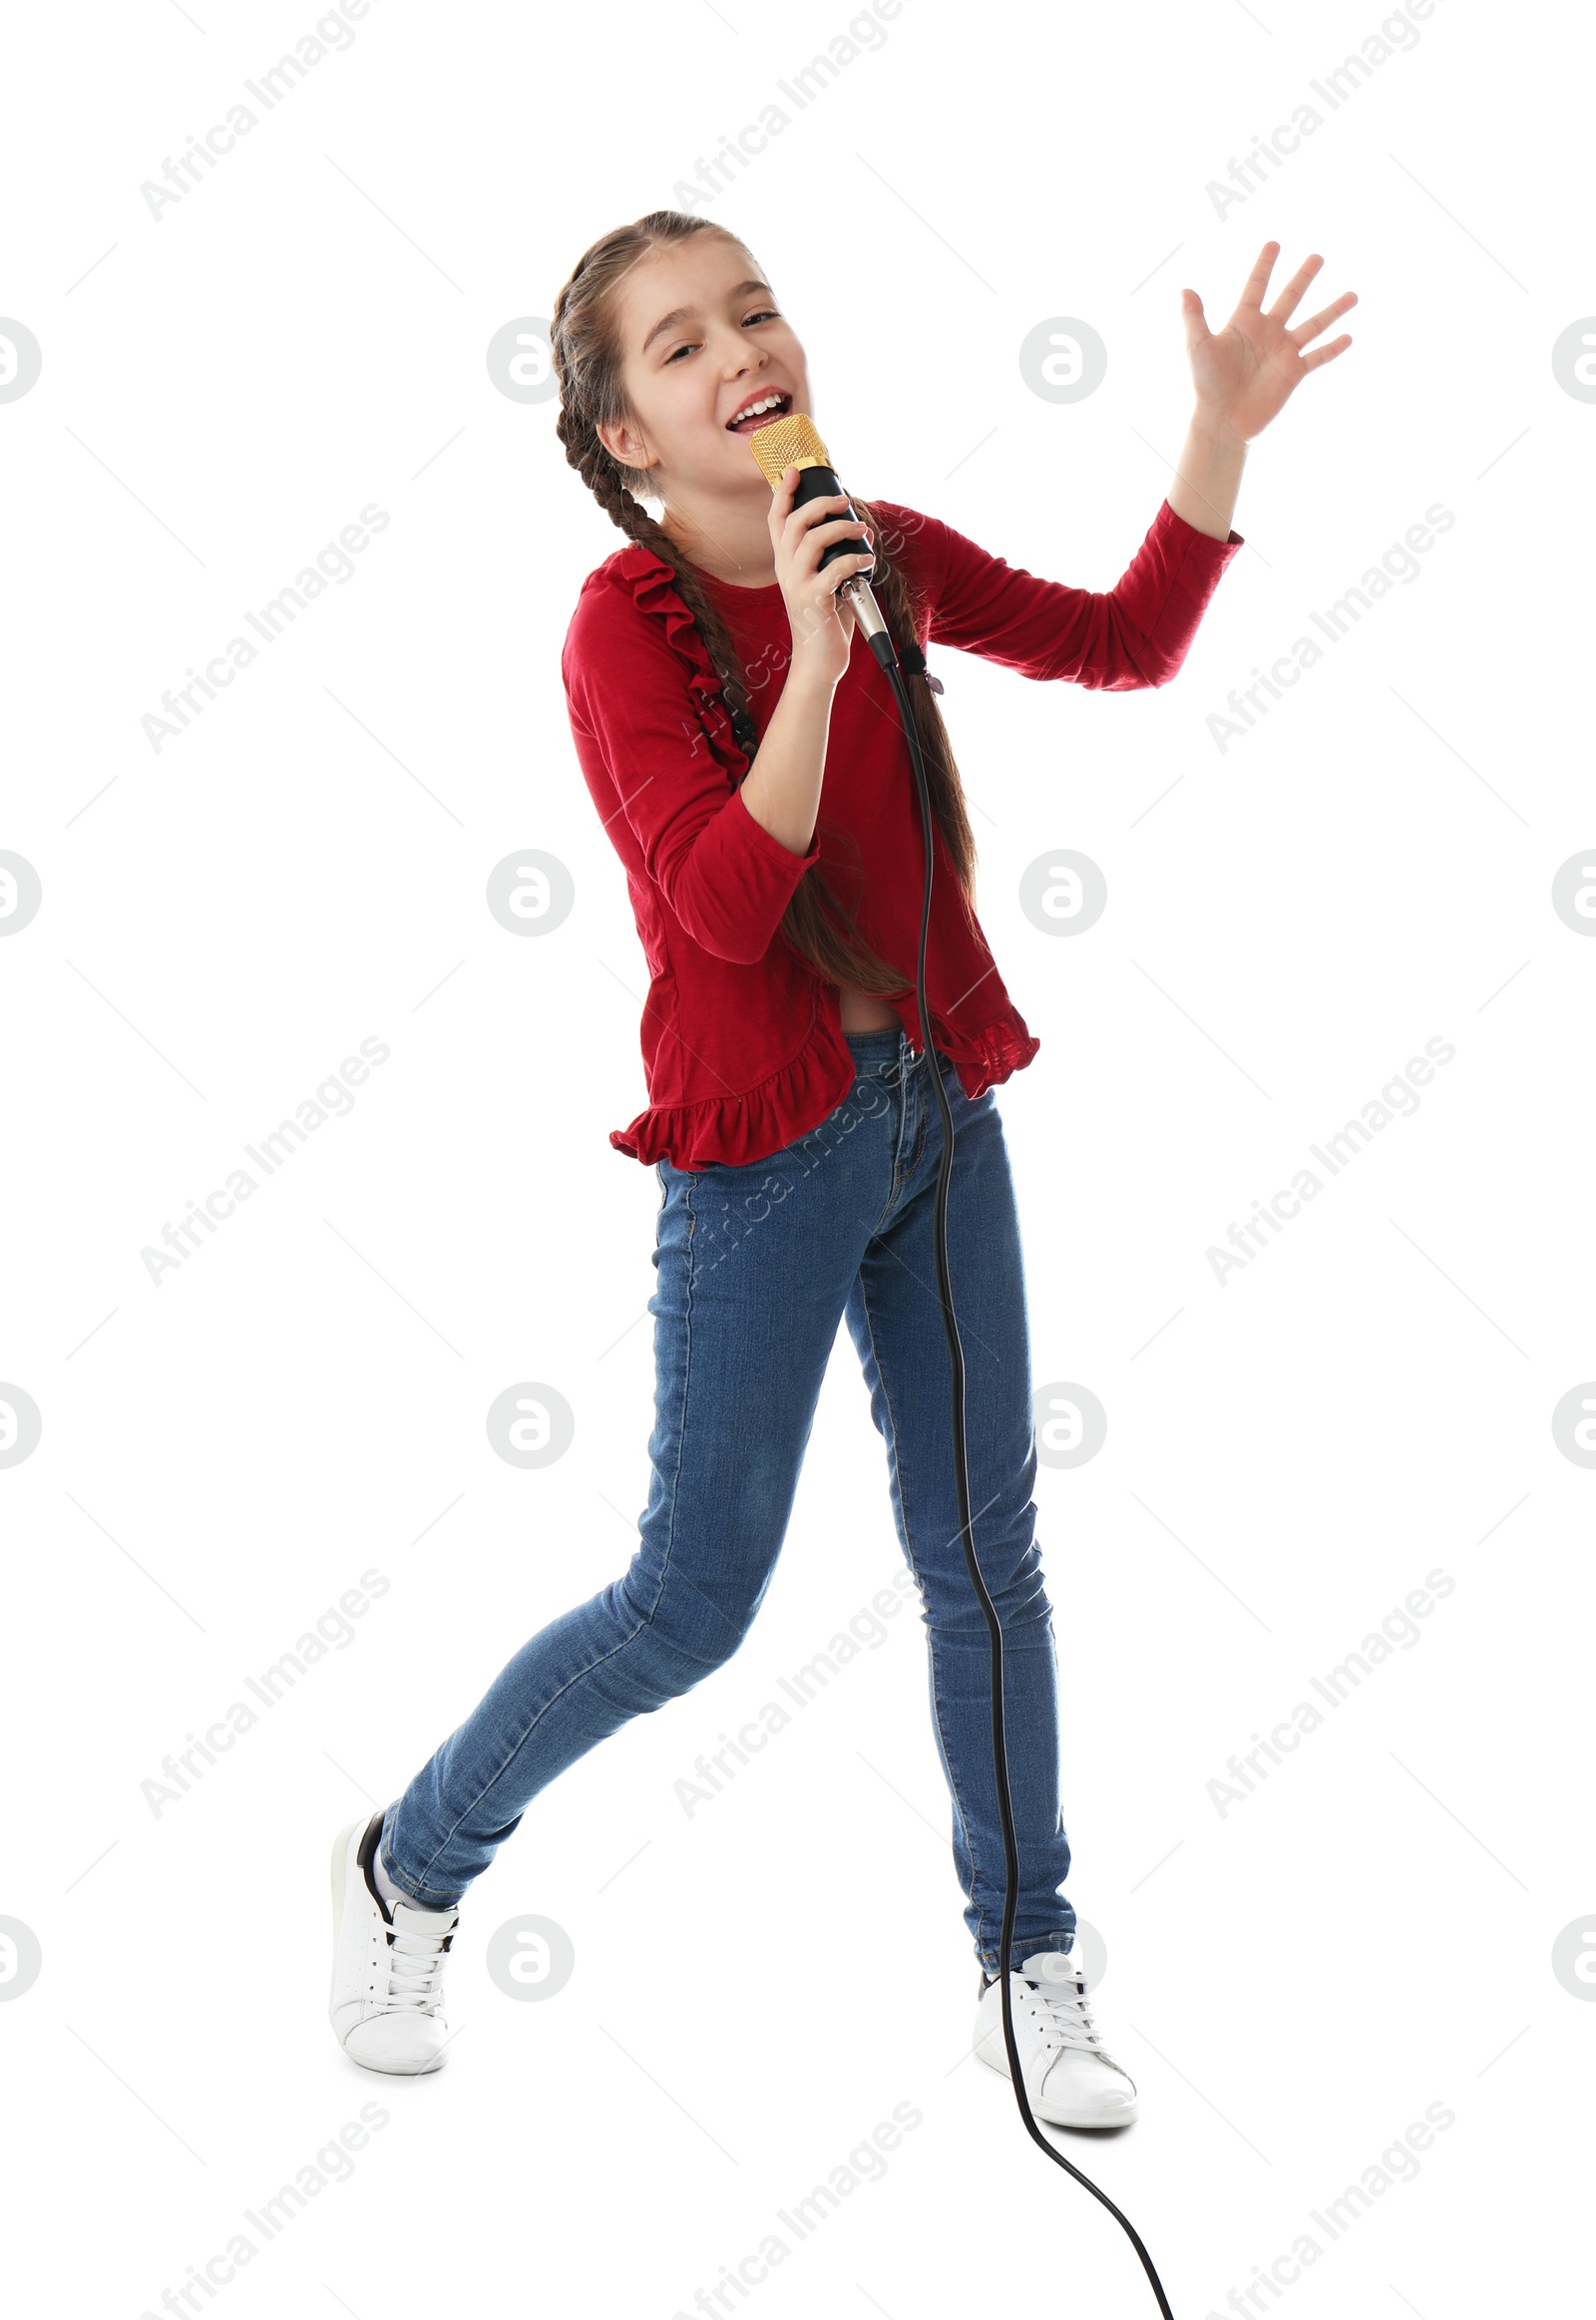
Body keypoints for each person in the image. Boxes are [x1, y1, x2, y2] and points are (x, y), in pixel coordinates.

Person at [328, 210, 1354, 2123]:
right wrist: (812, 655)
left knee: (987, 1551)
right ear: (627, 434)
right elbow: (722, 907)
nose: (741, 347)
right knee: (689, 1601)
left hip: (938, 1111)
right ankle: (409, 1858)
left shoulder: (872, 544)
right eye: (680, 343)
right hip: (766, 1155)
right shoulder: (620, 628)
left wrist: (1217, 439)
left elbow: (1121, 642)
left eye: (757, 308)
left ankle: (1026, 1949)